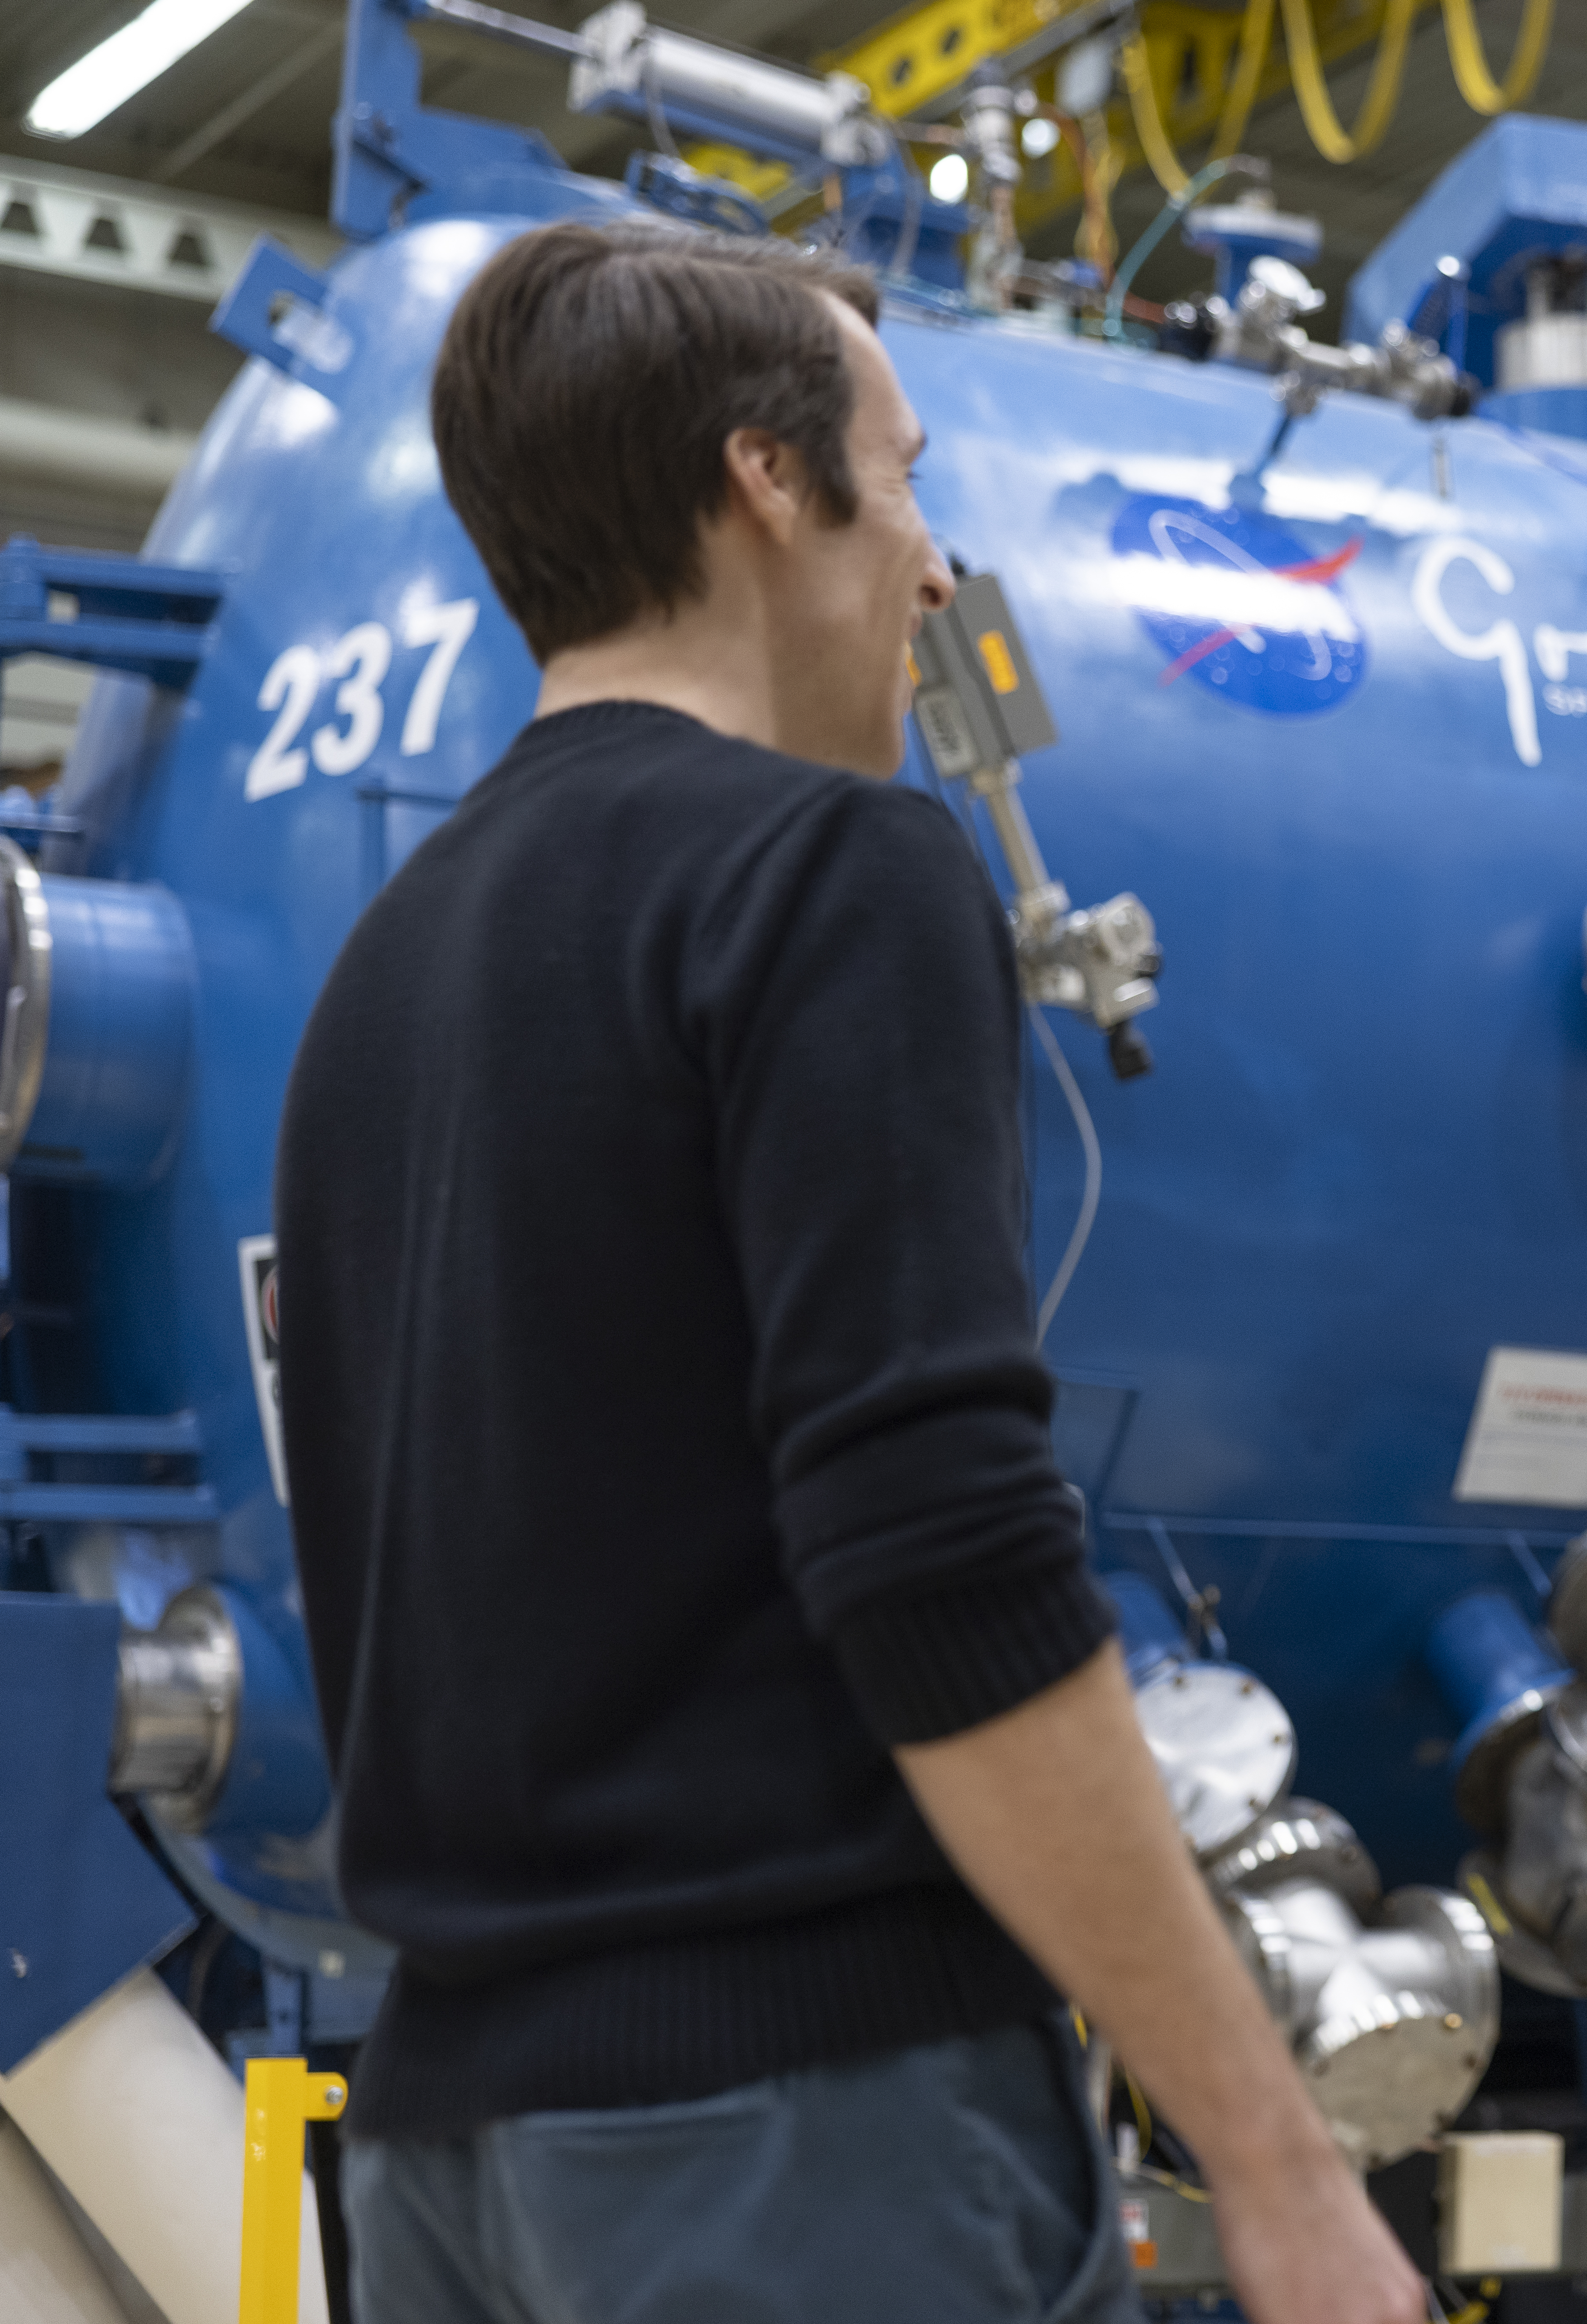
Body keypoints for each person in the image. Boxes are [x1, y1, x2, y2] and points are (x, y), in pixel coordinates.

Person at [273, 219, 1423, 2324]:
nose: (933, 569)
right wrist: (1273, 2161)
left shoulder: (382, 971)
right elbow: (942, 1561)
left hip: (446, 2145)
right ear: (765, 484)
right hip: (791, 2138)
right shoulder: (831, 870)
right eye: (900, 483)